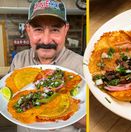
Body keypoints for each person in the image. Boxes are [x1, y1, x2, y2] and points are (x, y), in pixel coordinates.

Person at [9, 0, 86, 131]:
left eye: (55, 30)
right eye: (38, 29)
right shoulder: (19, 60)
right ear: (28, 30)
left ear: (65, 30)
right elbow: (8, 99)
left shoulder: (81, 65)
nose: (46, 40)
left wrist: (61, 111)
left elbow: (90, 120)